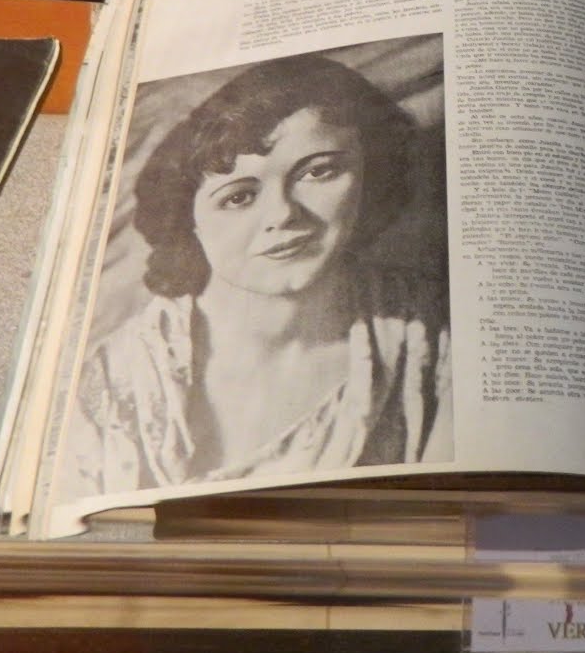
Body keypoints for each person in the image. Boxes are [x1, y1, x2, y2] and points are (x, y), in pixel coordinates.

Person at [69, 53, 450, 494]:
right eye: (239, 197)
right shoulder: (117, 381)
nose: (283, 214)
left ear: (370, 172)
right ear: (188, 222)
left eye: (319, 172)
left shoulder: (433, 340)